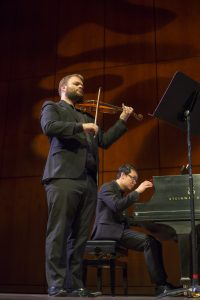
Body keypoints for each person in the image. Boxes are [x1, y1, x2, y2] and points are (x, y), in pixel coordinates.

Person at [40, 74, 133, 297]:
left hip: (88, 180)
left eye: (82, 84)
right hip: (63, 177)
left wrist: (122, 120)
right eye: (76, 83)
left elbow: (104, 142)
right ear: (63, 87)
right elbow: (50, 127)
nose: (81, 87)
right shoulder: (52, 107)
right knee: (59, 231)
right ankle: (56, 283)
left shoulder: (86, 115)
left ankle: (75, 284)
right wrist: (82, 127)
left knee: (80, 235)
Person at [91, 164, 177, 296]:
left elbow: (125, 218)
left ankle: (163, 283)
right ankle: (160, 285)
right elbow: (116, 206)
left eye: (136, 180)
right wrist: (138, 191)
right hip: (107, 231)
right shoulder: (107, 187)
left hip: (116, 230)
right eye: (133, 178)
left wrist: (150, 221)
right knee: (149, 242)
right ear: (123, 175)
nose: (135, 182)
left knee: (154, 242)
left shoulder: (119, 193)